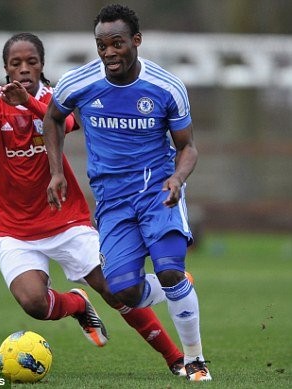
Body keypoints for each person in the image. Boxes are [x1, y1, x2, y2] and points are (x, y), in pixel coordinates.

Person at [0, 32, 187, 376]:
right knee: (33, 302)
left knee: (116, 290)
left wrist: (29, 103)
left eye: (31, 62)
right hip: (15, 228)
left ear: (41, 65)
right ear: (5, 67)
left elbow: (69, 122)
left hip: (65, 219)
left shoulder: (53, 97)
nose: (24, 69)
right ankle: (76, 304)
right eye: (16, 63)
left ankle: (175, 358)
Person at [43, 5, 212, 382]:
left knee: (168, 268)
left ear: (136, 41)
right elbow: (52, 117)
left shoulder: (166, 87)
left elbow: (188, 147)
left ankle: (195, 359)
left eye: (117, 43)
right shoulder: (80, 83)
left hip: (158, 190)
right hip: (112, 200)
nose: (108, 53)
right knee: (125, 293)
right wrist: (56, 172)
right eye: (101, 45)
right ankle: (178, 288)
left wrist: (178, 179)